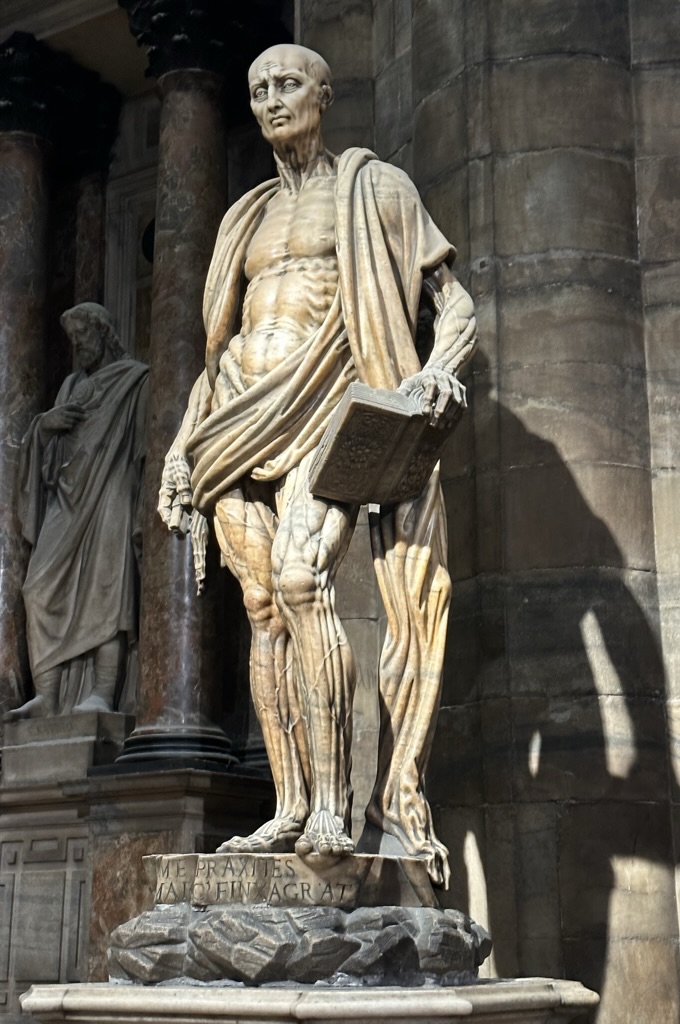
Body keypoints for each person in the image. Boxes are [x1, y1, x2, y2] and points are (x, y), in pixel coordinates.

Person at [158, 44, 476, 886]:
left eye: (288, 84)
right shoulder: (245, 218)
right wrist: (180, 449)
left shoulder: (377, 190)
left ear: (325, 95)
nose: (272, 100)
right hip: (234, 414)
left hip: (328, 405)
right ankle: (291, 808)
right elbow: (215, 348)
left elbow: (455, 307)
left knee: (302, 583)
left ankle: (336, 804)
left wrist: (439, 369)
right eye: (258, 89)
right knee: (263, 609)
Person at [6, 303, 148, 721]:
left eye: (83, 336)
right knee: (37, 586)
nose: (78, 346)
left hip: (111, 492)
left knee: (108, 586)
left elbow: (149, 445)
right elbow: (48, 455)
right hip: (66, 497)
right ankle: (47, 695)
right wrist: (44, 426)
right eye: (72, 340)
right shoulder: (70, 385)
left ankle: (103, 692)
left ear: (103, 333)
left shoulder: (134, 379)